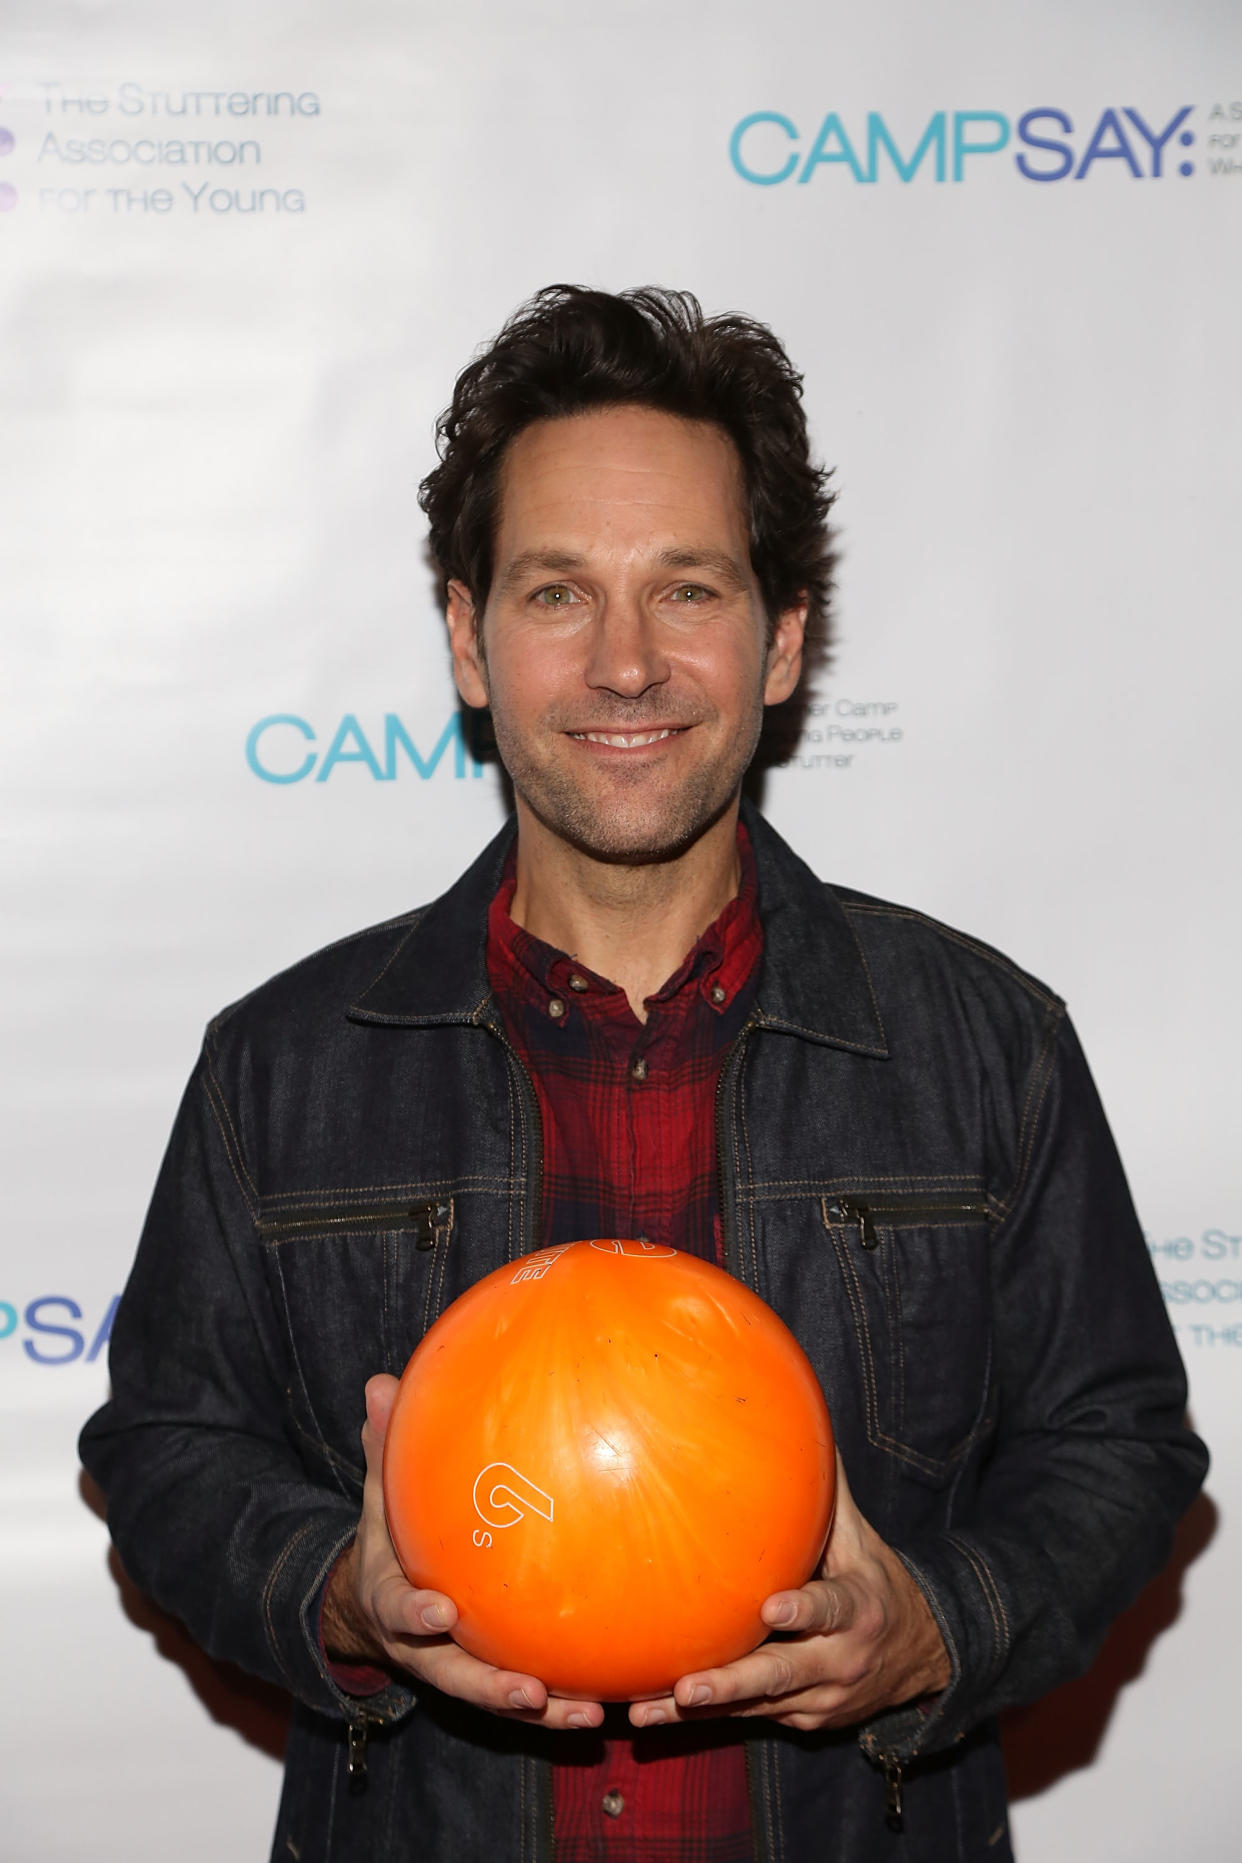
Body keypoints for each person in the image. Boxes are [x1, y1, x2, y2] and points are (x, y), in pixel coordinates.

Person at [81, 286, 1207, 1863]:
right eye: (557, 594)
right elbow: (164, 1447)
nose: (625, 664)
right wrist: (336, 1588)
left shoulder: (984, 1043)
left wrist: (935, 1629)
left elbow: (1118, 1445)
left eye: (686, 590)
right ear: (470, 641)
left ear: (782, 642)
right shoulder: (283, 1063)